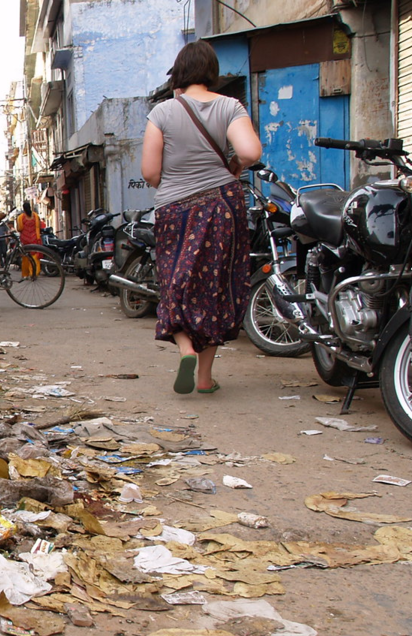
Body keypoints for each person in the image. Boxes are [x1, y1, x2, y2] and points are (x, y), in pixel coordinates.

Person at [141, 40, 262, 395]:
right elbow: (249, 151)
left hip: (175, 208)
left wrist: (175, 181)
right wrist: (236, 166)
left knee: (174, 280)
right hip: (223, 205)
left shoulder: (162, 113)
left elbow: (149, 172)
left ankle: (184, 347)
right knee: (215, 288)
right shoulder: (230, 106)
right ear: (211, 72)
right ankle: (205, 378)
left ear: (178, 74)